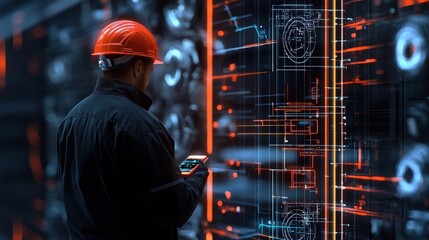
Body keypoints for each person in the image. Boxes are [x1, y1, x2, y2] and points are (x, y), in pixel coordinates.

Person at [57, 19, 209, 239]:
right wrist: (198, 175)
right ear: (138, 67)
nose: (149, 79)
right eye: (150, 69)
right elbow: (173, 210)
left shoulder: (70, 121)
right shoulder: (142, 127)